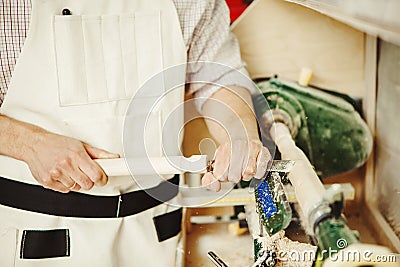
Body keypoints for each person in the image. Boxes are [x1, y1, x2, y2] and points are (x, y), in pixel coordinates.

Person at [0, 0, 271, 266]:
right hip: (36, 236)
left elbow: (217, 78)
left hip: (155, 232)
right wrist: (30, 144)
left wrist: (239, 134)